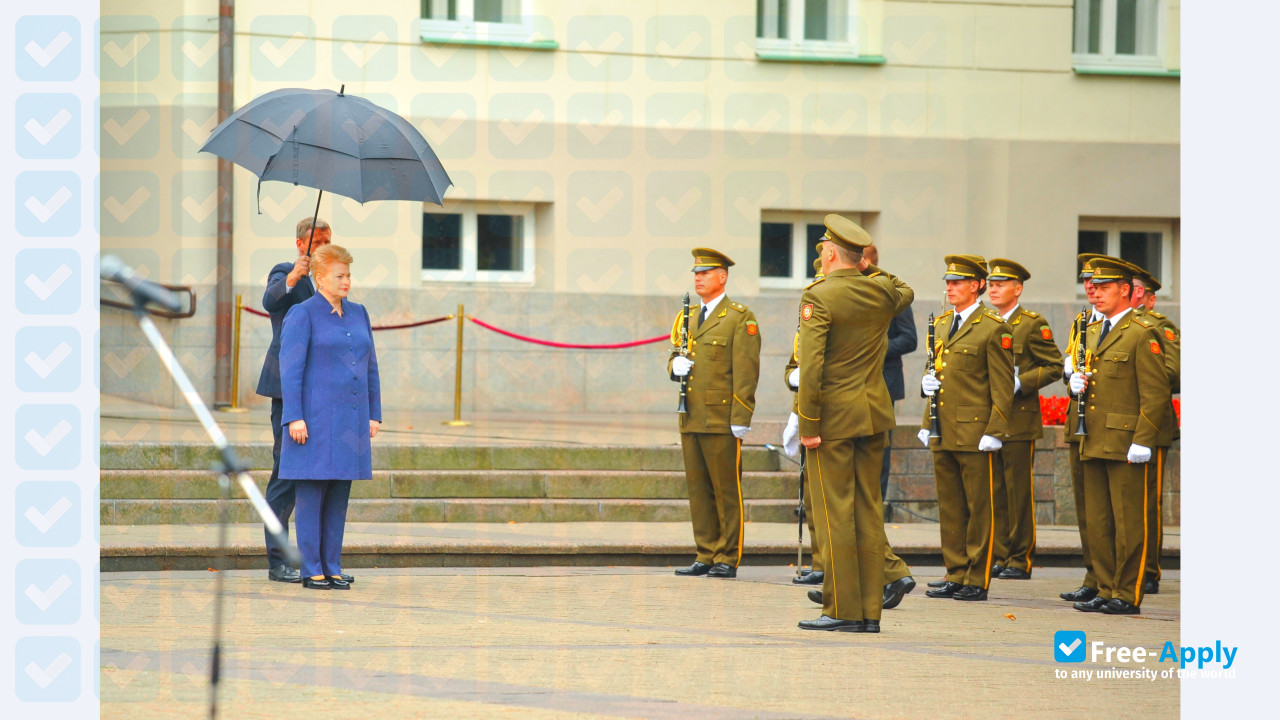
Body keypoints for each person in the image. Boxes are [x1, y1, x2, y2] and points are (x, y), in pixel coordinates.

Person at [795, 214, 914, 633]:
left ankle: (842, 609)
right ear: (861, 258)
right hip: (873, 414)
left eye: (824, 252)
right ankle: (868, 613)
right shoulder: (879, 291)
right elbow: (906, 289)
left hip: (832, 421)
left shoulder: (820, 297)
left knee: (833, 515)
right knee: (867, 510)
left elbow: (811, 368)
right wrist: (866, 266)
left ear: (829, 254)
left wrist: (807, 422)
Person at [1068, 258, 1170, 615]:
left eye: (1106, 288)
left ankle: (1127, 593)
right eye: (1094, 288)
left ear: (1126, 291)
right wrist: (1074, 384)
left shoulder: (1143, 332)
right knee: (1099, 521)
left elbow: (1155, 394)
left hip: (1127, 441)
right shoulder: (1093, 331)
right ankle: (1106, 586)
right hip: (1093, 437)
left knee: (1128, 522)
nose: (1095, 294)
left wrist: (1143, 439)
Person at [279, 244, 382, 590]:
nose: (346, 281)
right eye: (339, 276)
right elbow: (290, 369)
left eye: (349, 275)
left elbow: (371, 368)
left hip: (351, 421)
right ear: (320, 278)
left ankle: (332, 565)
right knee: (311, 494)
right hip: (313, 420)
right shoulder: (302, 314)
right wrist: (294, 416)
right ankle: (312, 568)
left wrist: (374, 414)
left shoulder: (359, 313)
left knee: (339, 494)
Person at [918, 255, 1014, 603]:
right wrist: (924, 395)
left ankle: (977, 576)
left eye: (957, 282)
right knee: (951, 506)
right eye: (948, 282)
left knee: (978, 507)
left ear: (977, 285)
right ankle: (955, 571)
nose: (950, 288)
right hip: (943, 428)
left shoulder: (993, 326)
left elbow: (1002, 386)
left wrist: (995, 429)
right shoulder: (943, 324)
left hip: (975, 432)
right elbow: (937, 371)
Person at [668, 248, 761, 579]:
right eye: (696, 273)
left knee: (725, 489)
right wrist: (673, 366)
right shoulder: (689, 316)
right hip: (691, 414)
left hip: (722, 417)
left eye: (705, 273)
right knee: (698, 488)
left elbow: (746, 372)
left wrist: (741, 415)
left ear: (722, 276)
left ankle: (727, 555)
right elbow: (677, 355)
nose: (698, 277)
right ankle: (705, 552)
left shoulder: (739, 318)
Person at [257, 217, 331, 584]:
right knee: (284, 475)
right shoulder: (285, 271)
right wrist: (293, 277)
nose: (323, 246)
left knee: (312, 475)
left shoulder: (328, 284)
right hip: (287, 389)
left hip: (320, 392)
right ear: (301, 244)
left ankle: (312, 559)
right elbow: (270, 300)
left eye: (328, 240)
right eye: (317, 241)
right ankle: (277, 559)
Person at [985, 259, 1063, 580]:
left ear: (1017, 289)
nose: (993, 289)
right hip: (990, 420)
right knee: (996, 491)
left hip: (1018, 419)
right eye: (990, 284)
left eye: (1000, 284)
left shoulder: (1031, 324)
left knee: (1017, 491)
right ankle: (1001, 554)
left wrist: (1021, 381)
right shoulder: (985, 321)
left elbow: (1054, 365)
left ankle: (1020, 558)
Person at [1124, 262, 1180, 596]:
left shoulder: (1160, 327)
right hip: (1115, 424)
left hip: (1151, 425)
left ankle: (1148, 570)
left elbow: (1173, 373)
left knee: (1146, 502)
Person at [1058, 254, 1106, 604]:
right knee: (1087, 508)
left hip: (1110, 427)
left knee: (1111, 510)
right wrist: (1069, 375)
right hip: (1081, 423)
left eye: (1098, 282)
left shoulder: (1137, 325)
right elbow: (1071, 362)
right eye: (1087, 281)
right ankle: (1094, 575)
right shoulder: (1082, 321)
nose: (1090, 287)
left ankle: (1115, 581)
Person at [863, 244, 917, 508]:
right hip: (854, 384)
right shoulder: (848, 291)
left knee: (879, 451)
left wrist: (877, 347)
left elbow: (909, 339)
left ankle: (876, 508)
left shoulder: (891, 292)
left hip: (885, 382)